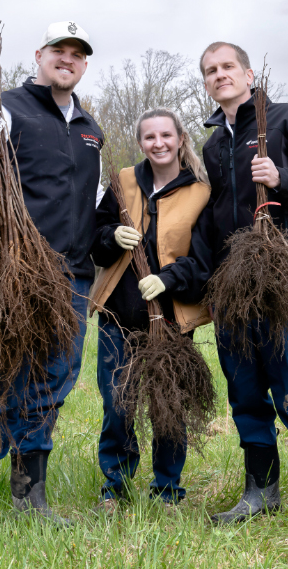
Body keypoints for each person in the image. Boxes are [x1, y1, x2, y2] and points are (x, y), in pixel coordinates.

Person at [0, 21, 102, 541]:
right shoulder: (5, 108)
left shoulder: (90, 128)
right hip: (11, 272)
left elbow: (92, 201)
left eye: (77, 54)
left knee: (53, 382)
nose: (67, 59)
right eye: (59, 50)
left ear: (84, 64)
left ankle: (32, 495)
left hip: (71, 277)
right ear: (40, 55)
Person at [193, 41, 288, 523]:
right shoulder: (213, 146)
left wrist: (280, 176)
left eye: (227, 66)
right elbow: (211, 221)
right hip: (233, 286)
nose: (220, 75)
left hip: (284, 276)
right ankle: (260, 493)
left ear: (249, 73)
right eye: (210, 70)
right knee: (246, 388)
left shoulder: (285, 119)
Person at [88, 108, 211, 512]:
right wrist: (110, 236)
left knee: (168, 404)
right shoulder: (122, 183)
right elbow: (95, 240)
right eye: (149, 137)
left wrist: (170, 279)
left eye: (166, 136)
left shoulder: (201, 192)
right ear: (140, 142)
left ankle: (167, 491)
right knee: (118, 403)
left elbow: (206, 261)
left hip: (172, 320)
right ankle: (115, 488)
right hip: (119, 317)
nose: (158, 143)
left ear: (180, 139)